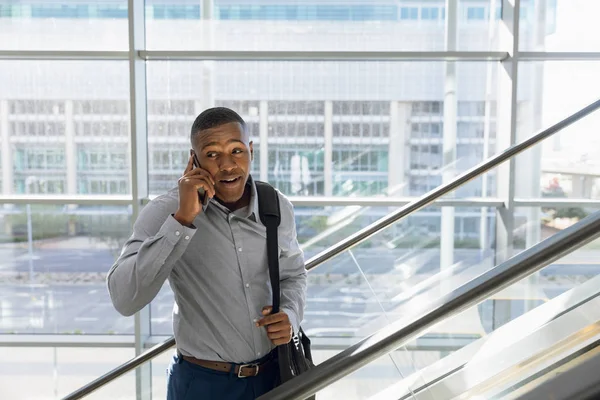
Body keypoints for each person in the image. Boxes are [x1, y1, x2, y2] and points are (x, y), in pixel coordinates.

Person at [107, 107, 308, 400]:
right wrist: (181, 222)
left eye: (237, 151)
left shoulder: (276, 206)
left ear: (250, 151)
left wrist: (290, 314)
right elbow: (124, 299)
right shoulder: (166, 211)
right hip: (203, 385)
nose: (228, 165)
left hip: (273, 376)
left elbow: (293, 275)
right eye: (213, 154)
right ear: (194, 159)